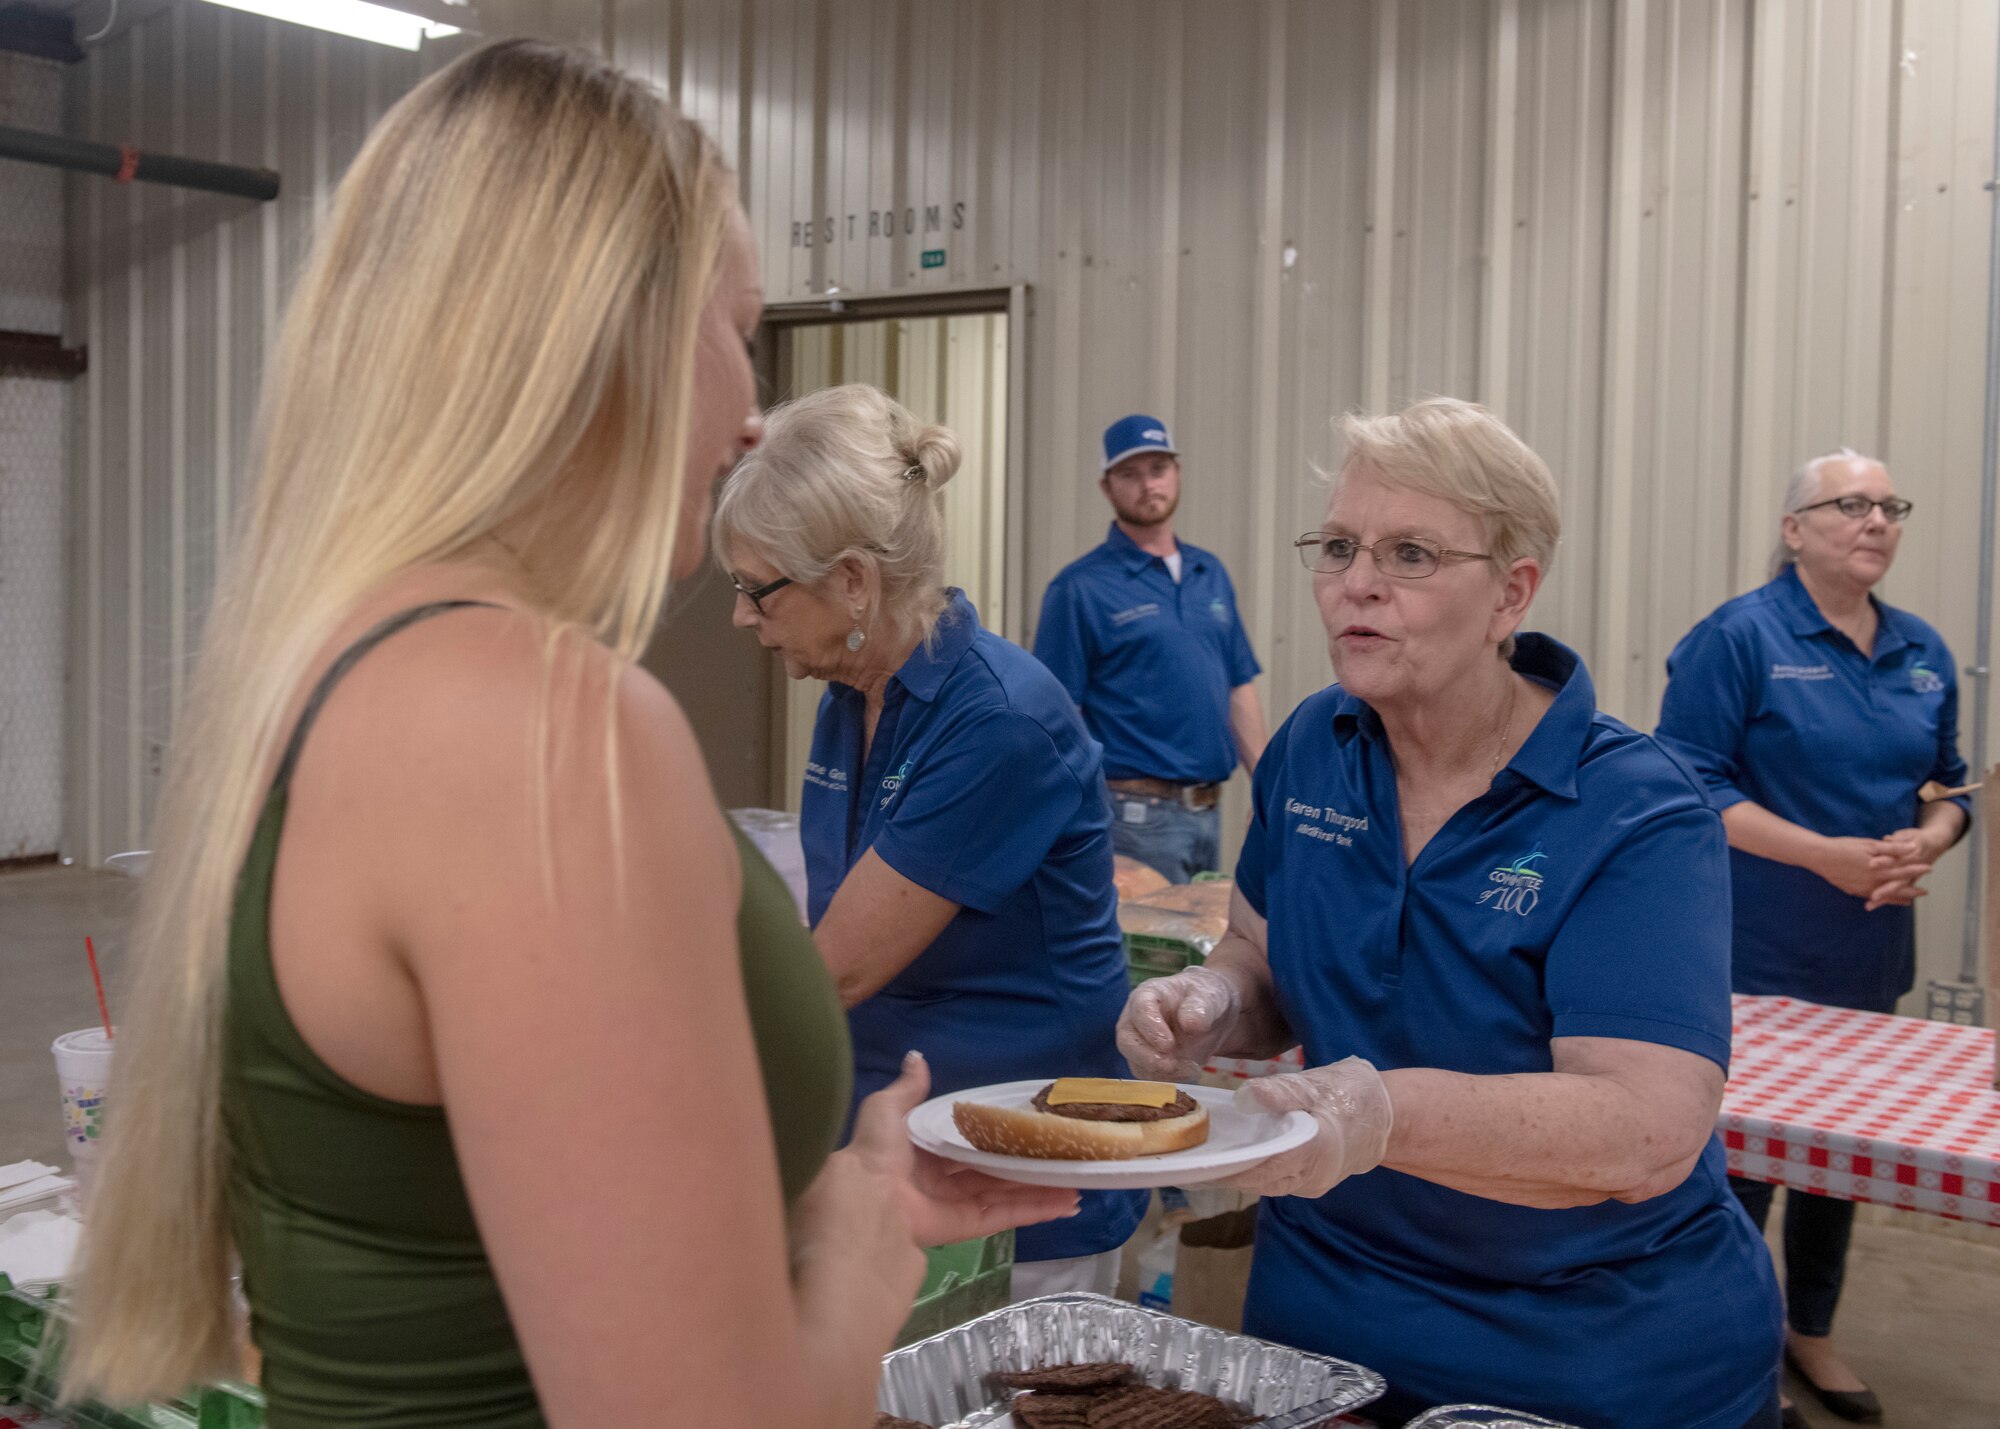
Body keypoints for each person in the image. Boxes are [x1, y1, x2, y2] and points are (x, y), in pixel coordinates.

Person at [62, 45, 1071, 1429]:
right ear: (618, 334)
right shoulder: (543, 728)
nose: (749, 408)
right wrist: (857, 1252)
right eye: (737, 326)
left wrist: (851, 1190)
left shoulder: (325, 675)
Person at [1118, 398, 1785, 1429]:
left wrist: (1381, 1113)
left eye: (1410, 554)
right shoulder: (1311, 747)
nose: (1356, 582)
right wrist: (1210, 997)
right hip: (1323, 1336)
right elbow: (1260, 954)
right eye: (1337, 546)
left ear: (1508, 593)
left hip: (1587, 1353)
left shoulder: (1634, 810)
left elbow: (1641, 1128)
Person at [714, 383, 1147, 1299]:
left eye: (758, 590)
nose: (743, 618)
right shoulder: (851, 694)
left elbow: (836, 969)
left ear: (853, 582)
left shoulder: (997, 720)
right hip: (897, 1154)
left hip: (1012, 1183)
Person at [1656, 447, 1970, 1427]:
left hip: (1865, 953)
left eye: (1888, 505)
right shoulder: (1736, 639)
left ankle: (1812, 1330)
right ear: (1794, 530)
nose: (1875, 520)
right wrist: (1820, 855)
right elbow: (1689, 789)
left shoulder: (1919, 649)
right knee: (1737, 1167)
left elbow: (1950, 787)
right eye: (1849, 504)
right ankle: (1723, 1350)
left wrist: (1924, 842)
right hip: (1750, 954)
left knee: (1842, 1161)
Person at [1033, 415, 1267, 881]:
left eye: (1158, 468)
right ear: (1106, 487)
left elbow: (1238, 687)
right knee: (1147, 954)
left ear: (1177, 474)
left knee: (1195, 948)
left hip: (1208, 811)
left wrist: (1267, 788)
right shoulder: (1080, 588)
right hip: (1133, 821)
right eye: (1129, 474)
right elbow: (1056, 717)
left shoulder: (1210, 572)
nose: (1147, 485)